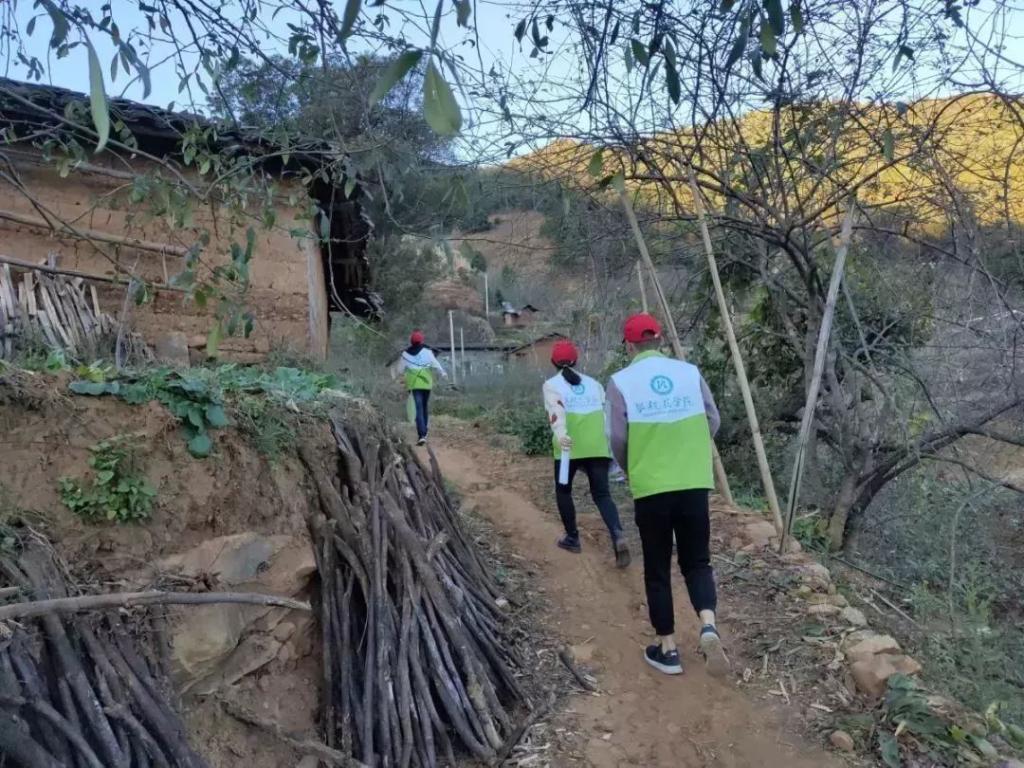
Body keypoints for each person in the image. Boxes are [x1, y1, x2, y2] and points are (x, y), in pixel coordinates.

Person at [606, 313, 729, 677]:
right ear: (660, 340)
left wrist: (632, 467)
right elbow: (713, 419)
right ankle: (708, 625)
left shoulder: (621, 382)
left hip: (652, 487)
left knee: (657, 567)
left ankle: (668, 649)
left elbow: (617, 438)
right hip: (693, 482)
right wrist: (690, 449)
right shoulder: (689, 373)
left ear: (630, 346)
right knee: (697, 561)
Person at [543, 339, 631, 568]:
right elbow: (606, 416)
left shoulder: (551, 385)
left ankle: (572, 538)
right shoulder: (594, 384)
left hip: (567, 449)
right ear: (576, 360)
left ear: (553, 362)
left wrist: (561, 434)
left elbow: (555, 414)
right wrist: (609, 448)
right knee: (602, 495)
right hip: (597, 447)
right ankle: (618, 534)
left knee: (563, 491)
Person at [393, 330, 447, 445]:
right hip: (426, 384)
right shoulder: (427, 352)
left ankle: (422, 434)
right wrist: (443, 373)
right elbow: (435, 364)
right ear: (422, 341)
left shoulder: (405, 354)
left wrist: (400, 374)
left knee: (418, 408)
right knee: (423, 406)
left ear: (411, 342)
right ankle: (424, 432)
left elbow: (399, 370)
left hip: (413, 385)